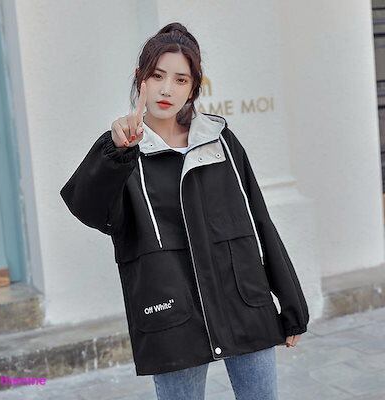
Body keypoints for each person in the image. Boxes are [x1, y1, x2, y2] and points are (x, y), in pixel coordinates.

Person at [60, 22, 309, 400]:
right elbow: (90, 210)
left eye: (180, 80)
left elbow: (260, 220)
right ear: (140, 79)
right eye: (157, 76)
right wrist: (116, 153)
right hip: (172, 318)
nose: (166, 89)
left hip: (244, 303)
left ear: (194, 88)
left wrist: (291, 303)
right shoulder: (122, 151)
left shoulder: (221, 141)